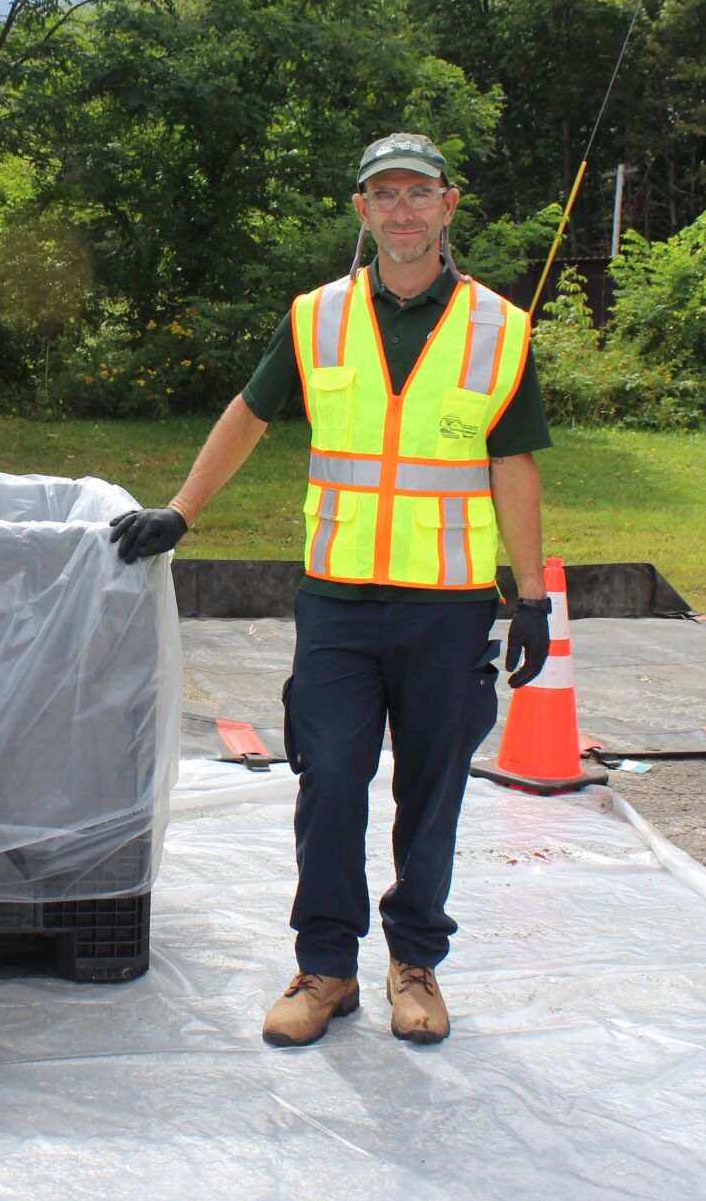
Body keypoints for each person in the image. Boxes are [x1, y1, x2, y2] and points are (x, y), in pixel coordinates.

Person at [111, 133, 552, 1048]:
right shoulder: (316, 317)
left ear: (447, 205)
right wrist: (183, 514)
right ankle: (326, 968)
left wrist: (534, 598)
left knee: (431, 791)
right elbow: (247, 413)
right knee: (330, 780)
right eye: (382, 194)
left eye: (416, 193)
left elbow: (512, 465)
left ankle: (415, 963)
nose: (400, 210)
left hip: (447, 602)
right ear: (361, 210)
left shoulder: (496, 329)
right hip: (338, 604)